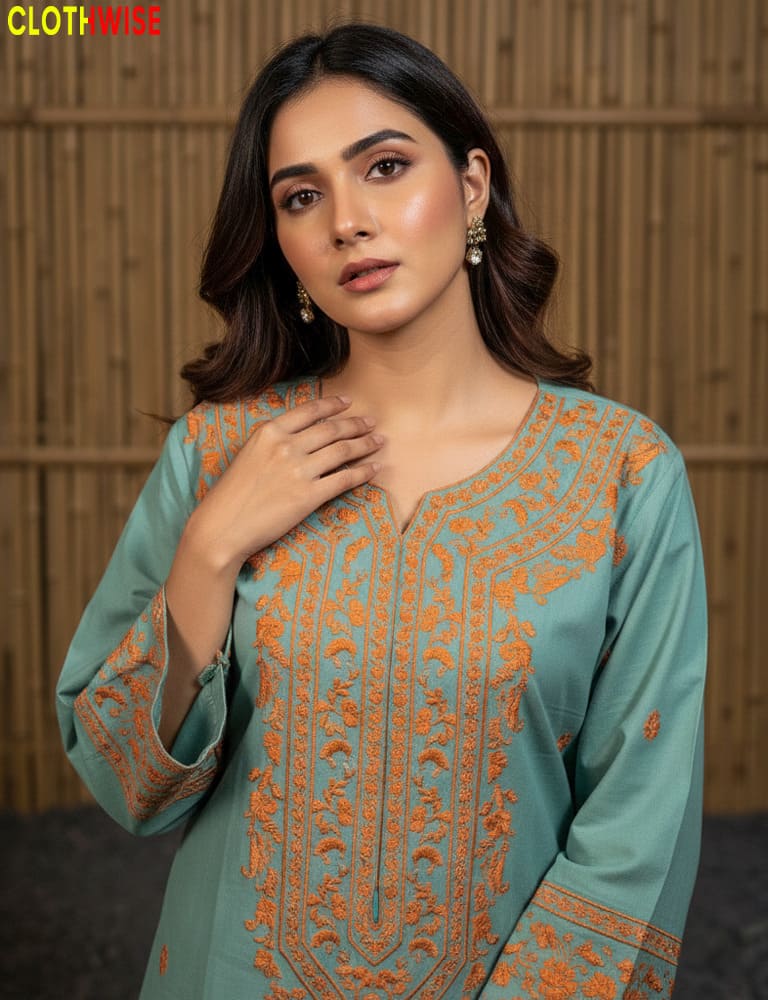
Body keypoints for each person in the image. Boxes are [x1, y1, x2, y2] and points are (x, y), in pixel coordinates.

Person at [56, 22, 707, 1000]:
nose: (346, 222)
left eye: (386, 167)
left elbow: (637, 824)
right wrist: (211, 547)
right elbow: (123, 784)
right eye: (302, 196)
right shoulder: (218, 455)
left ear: (473, 185)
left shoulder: (620, 472)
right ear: (280, 239)